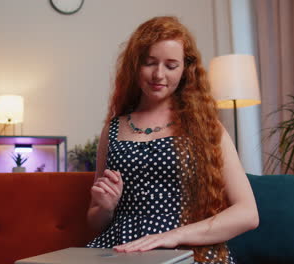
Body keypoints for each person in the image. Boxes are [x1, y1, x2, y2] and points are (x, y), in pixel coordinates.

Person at [86, 16, 259, 264]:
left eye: (171, 65)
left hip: (187, 250)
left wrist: (174, 236)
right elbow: (95, 221)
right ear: (135, 66)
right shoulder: (113, 129)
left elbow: (248, 214)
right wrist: (104, 206)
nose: (158, 74)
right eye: (150, 63)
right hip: (120, 250)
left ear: (185, 70)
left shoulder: (208, 128)